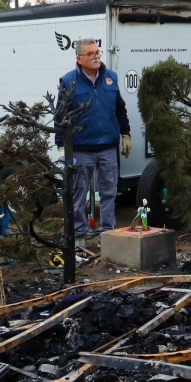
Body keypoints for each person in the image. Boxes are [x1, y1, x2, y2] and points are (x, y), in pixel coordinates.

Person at [57, 38, 131, 240]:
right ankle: (79, 235)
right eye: (90, 54)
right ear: (79, 59)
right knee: (78, 194)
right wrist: (62, 147)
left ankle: (108, 233)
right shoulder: (68, 81)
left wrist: (125, 135)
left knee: (109, 192)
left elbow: (120, 109)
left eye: (97, 52)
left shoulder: (111, 78)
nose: (96, 57)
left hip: (108, 147)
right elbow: (61, 116)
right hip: (81, 149)